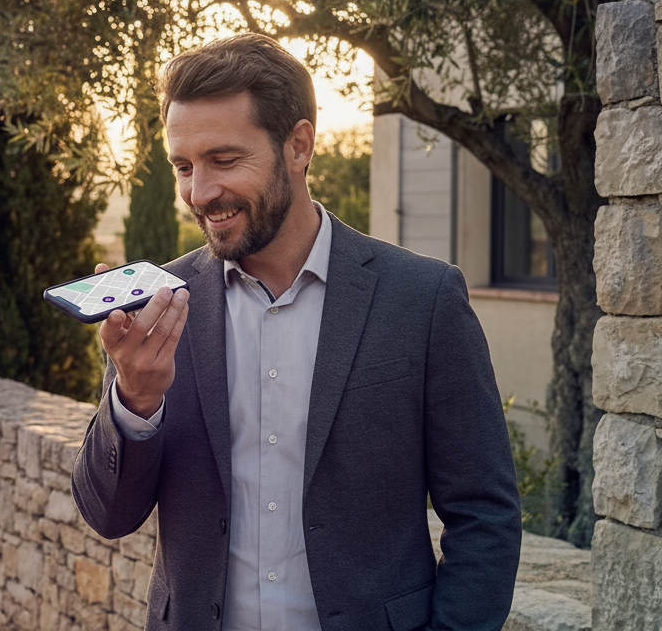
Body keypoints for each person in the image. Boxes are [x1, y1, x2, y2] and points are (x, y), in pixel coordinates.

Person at [71, 34, 521, 631]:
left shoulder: (423, 300)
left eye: (224, 160)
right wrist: (134, 402)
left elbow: (484, 514)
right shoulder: (157, 308)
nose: (200, 194)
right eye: (184, 166)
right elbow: (109, 515)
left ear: (299, 146)